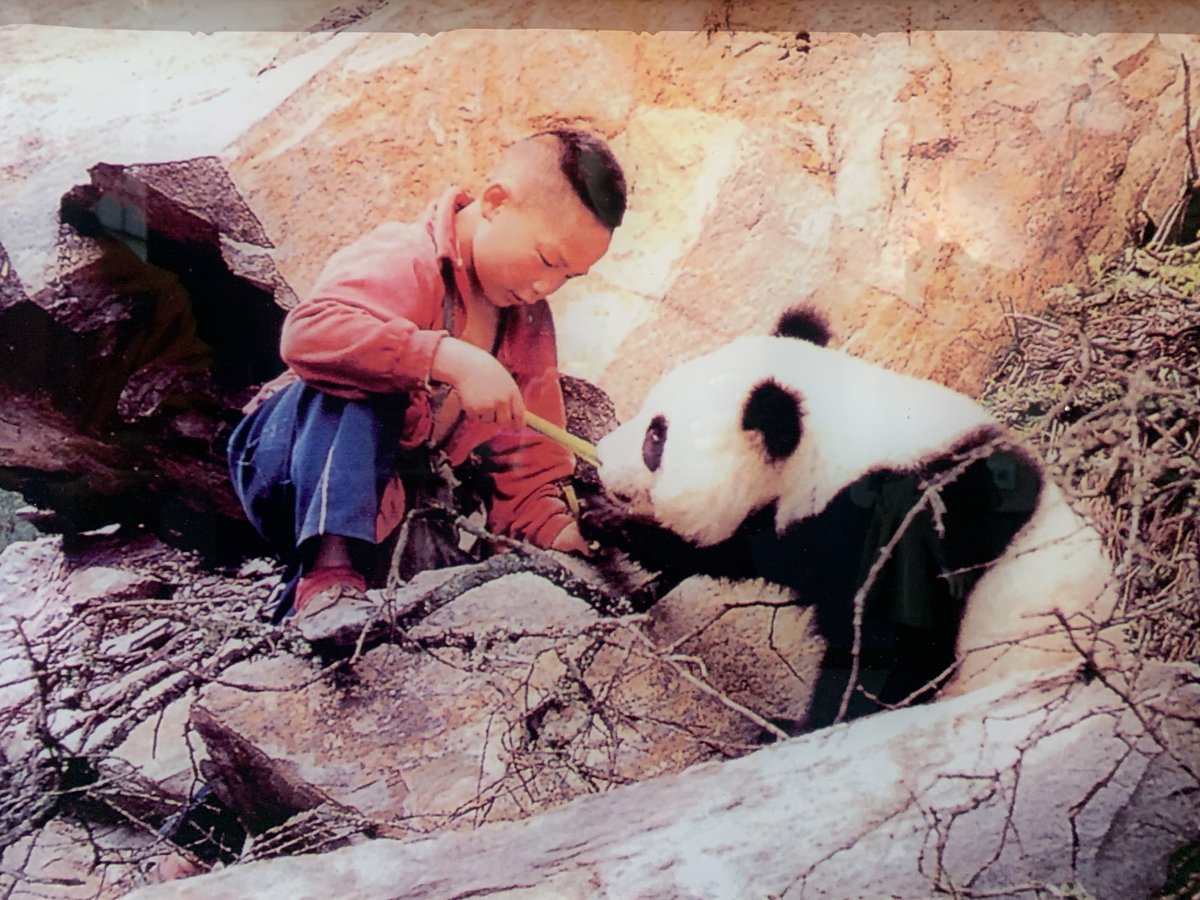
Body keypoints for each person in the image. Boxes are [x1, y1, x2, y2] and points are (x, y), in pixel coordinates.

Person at [227, 129, 627, 635]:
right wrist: (445, 356)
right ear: (496, 203)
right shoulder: (408, 256)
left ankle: (339, 612)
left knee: (434, 597)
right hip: (294, 461)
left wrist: (563, 532)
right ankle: (326, 581)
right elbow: (308, 333)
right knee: (364, 389)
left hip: (396, 491)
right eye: (548, 259)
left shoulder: (528, 321)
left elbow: (528, 460)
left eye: (569, 276)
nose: (546, 286)